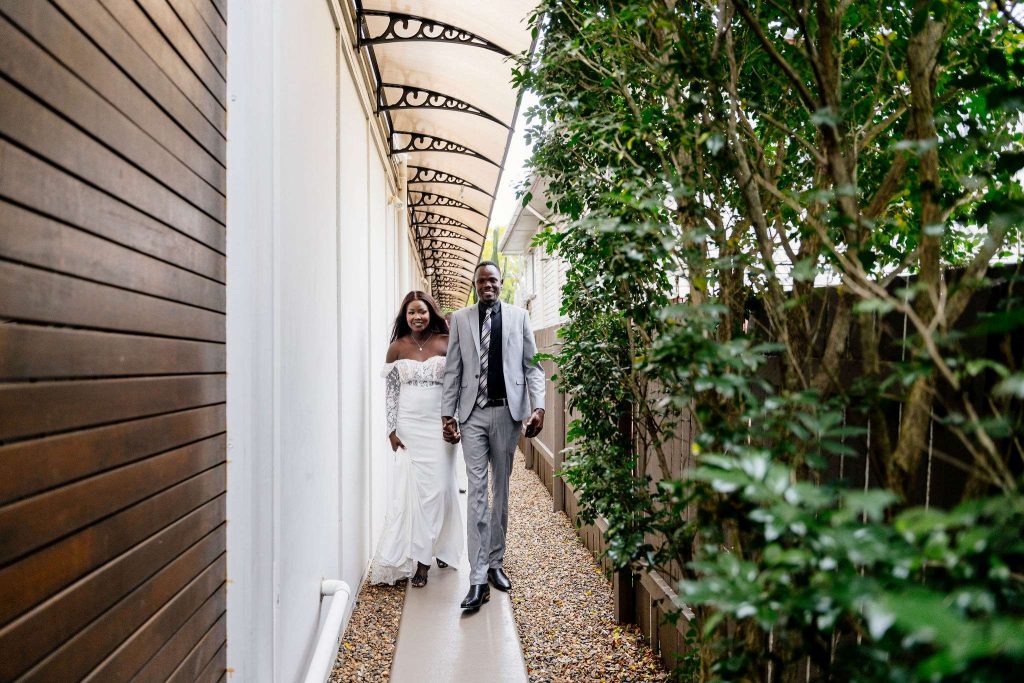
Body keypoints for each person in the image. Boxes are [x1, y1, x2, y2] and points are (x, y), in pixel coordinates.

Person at [441, 261, 546, 609]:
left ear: (500, 284)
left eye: (493, 280)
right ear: (475, 284)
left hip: (507, 414)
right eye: (482, 280)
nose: (488, 285)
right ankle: (477, 576)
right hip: (472, 414)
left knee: (500, 489)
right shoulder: (460, 319)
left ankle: (496, 563)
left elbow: (532, 366)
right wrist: (448, 413)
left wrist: (539, 407)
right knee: (477, 493)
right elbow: (453, 369)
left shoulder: (518, 318)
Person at [370, 291, 463, 588]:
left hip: (439, 426)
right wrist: (391, 429)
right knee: (413, 495)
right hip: (409, 426)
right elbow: (392, 392)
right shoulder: (397, 348)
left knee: (440, 490)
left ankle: (433, 554)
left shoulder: (445, 342)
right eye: (411, 313)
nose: (417, 317)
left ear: (430, 312)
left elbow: (457, 384)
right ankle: (422, 557)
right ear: (404, 316)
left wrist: (454, 419)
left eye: (421, 311)